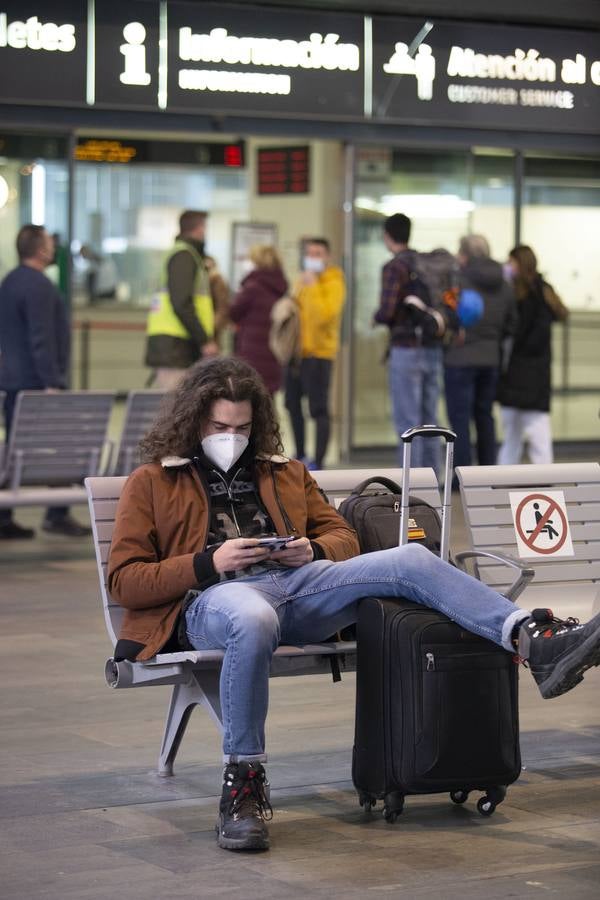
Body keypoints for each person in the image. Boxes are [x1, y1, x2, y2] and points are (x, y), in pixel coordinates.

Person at [108, 356, 600, 853]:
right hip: (211, 603)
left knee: (408, 557)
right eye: (218, 426)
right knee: (250, 615)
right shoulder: (153, 481)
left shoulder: (284, 472)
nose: (230, 435)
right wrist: (208, 562)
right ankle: (243, 786)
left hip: (297, 587)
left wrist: (312, 549)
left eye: (241, 426)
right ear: (194, 420)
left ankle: (534, 642)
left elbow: (341, 534)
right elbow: (124, 580)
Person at [0, 224, 90, 539]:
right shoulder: (40, 286)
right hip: (40, 383)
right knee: (61, 446)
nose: (53, 247)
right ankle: (57, 513)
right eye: (49, 244)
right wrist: (51, 381)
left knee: (15, 448)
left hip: (12, 382)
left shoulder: (8, 282)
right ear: (40, 250)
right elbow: (42, 338)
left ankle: (4, 517)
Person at [373, 214, 446, 474]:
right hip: (432, 348)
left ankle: (412, 482)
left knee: (408, 421)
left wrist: (376, 316)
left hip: (405, 350)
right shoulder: (424, 262)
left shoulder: (395, 267)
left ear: (387, 235)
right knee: (430, 419)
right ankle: (434, 478)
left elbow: (388, 310)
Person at [444, 234, 518, 473]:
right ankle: (487, 474)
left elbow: (448, 317)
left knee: (460, 420)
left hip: (459, 359)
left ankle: (460, 476)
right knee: (485, 416)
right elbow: (512, 323)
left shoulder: (458, 282)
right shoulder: (505, 284)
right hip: (491, 359)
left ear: (464, 255)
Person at [497, 245, 569, 465]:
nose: (508, 267)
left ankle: (501, 480)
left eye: (511, 263)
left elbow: (519, 336)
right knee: (537, 436)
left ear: (519, 264)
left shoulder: (522, 296)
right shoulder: (545, 292)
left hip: (517, 373)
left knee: (515, 435)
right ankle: (544, 482)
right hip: (536, 376)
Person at [284, 238, 345, 469]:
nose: (313, 257)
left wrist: (313, 286)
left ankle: (318, 461)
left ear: (327, 257)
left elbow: (325, 316)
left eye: (318, 253)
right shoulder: (302, 280)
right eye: (310, 253)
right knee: (291, 403)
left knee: (318, 408)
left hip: (320, 354)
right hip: (297, 353)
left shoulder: (334, 281)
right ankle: (299, 453)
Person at [145, 210, 221, 390]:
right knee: (176, 410)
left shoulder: (187, 255)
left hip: (178, 346)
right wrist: (204, 339)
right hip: (174, 346)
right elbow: (181, 302)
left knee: (182, 409)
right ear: (199, 229)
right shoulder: (184, 256)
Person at [229, 244, 288, 394]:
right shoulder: (281, 287)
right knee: (268, 399)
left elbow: (233, 312)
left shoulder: (252, 288)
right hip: (273, 353)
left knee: (251, 397)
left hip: (252, 353)